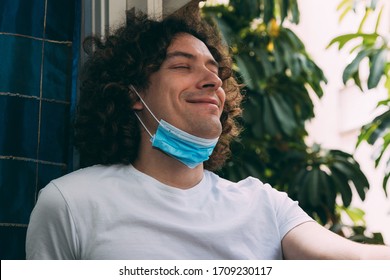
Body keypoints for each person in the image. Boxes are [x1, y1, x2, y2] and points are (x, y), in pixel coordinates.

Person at [26, 11, 390, 260]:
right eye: (183, 66)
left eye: (215, 72)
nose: (213, 81)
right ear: (133, 93)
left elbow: (357, 259)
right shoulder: (70, 203)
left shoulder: (264, 205)